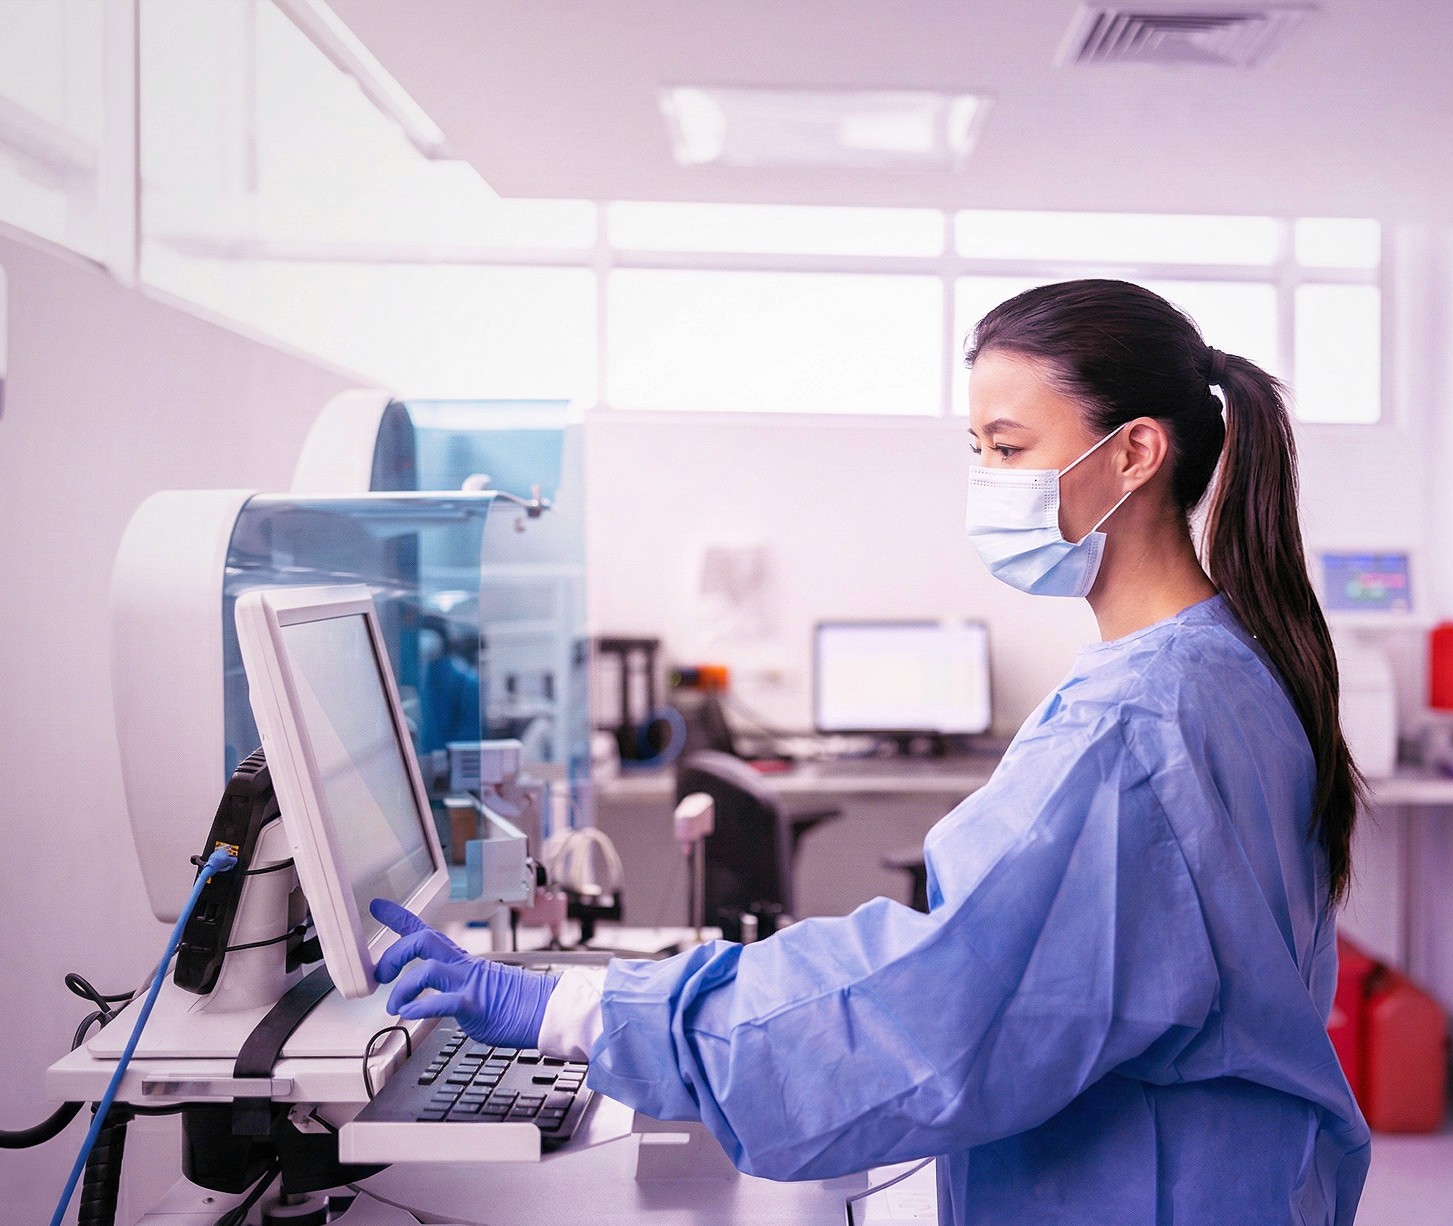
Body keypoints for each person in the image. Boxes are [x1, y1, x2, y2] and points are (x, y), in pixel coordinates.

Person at [372, 279, 1371, 1225]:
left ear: (1132, 453)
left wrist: (582, 1008)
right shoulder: (1226, 663)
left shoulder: (1134, 722)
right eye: (976, 448)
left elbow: (933, 1011)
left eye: (1010, 447)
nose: (986, 481)